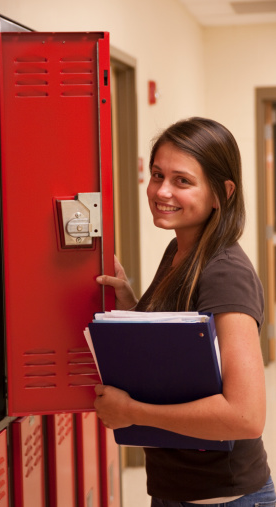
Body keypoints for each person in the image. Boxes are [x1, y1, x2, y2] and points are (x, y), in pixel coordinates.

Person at [94, 117, 275, 506]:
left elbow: (245, 415)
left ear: (221, 193)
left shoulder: (224, 271)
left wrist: (133, 412)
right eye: (158, 174)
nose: (161, 191)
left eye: (182, 181)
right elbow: (179, 349)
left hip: (225, 498)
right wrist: (128, 299)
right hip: (176, 488)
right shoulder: (181, 250)